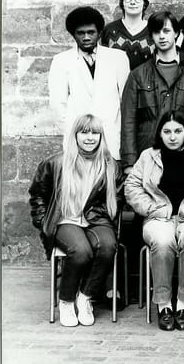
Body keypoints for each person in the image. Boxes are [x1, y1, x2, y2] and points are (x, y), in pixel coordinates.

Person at [124, 110, 184, 331]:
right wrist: (150, 208)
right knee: (163, 241)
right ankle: (164, 305)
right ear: (160, 133)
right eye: (167, 131)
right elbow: (131, 186)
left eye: (178, 131)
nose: (173, 136)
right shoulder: (148, 156)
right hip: (159, 217)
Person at [29, 114, 122, 327]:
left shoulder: (110, 165)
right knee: (81, 251)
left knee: (108, 246)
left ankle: (85, 297)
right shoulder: (56, 163)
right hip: (65, 219)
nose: (90, 137)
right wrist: (43, 221)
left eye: (95, 133)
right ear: (75, 135)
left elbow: (117, 198)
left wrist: (102, 216)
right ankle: (67, 300)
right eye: (84, 132)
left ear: (101, 136)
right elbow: (38, 195)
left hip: (96, 219)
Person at [120, 11, 184, 172]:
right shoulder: (137, 75)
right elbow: (128, 121)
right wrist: (129, 163)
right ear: (151, 36)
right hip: (148, 155)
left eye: (166, 31)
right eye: (156, 32)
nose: (162, 36)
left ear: (176, 33)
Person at [48, 6, 130, 160]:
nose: (86, 37)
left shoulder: (118, 58)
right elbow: (57, 105)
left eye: (91, 32)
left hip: (111, 139)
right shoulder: (61, 61)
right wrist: (76, 133)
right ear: (73, 34)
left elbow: (126, 101)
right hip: (77, 142)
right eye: (81, 33)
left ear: (99, 33)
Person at [101, 0, 156, 69]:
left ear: (144, 4)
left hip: (146, 77)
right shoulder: (110, 29)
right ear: (122, 4)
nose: (132, 2)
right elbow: (103, 60)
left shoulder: (153, 29)